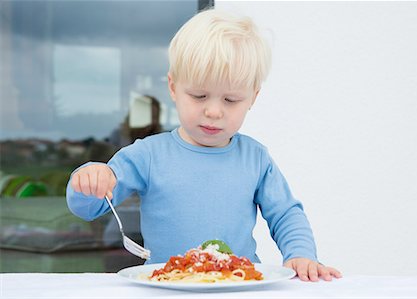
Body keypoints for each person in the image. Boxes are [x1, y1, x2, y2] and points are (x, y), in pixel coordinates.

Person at [66, 8, 341, 282]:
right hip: (169, 287)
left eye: (230, 100)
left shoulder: (256, 158)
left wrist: (300, 254)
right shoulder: (148, 154)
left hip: (240, 285)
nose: (213, 111)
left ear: (253, 98)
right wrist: (90, 179)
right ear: (173, 87)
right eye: (199, 96)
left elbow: (285, 214)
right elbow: (89, 208)